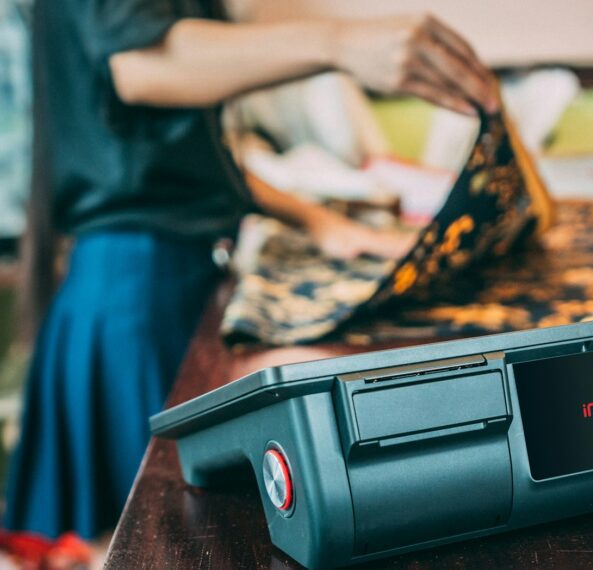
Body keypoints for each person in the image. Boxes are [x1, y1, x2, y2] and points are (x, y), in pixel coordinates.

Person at [4, 0, 498, 552]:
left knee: (164, 539)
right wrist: (336, 43)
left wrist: (317, 220)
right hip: (138, 297)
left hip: (155, 279)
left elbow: (180, 159)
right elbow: (139, 62)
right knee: (172, 540)